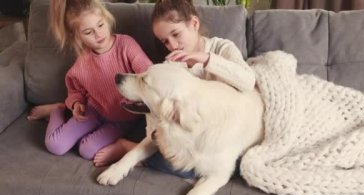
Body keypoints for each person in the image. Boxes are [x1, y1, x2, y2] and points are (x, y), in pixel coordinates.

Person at [96, 0, 256, 178]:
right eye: (165, 41)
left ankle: (132, 148)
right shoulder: (171, 66)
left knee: (232, 166)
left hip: (220, 130)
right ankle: (130, 149)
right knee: (181, 163)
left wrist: (205, 59)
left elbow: (248, 82)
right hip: (183, 137)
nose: (172, 45)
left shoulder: (221, 48)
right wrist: (154, 139)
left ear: (194, 24)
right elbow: (156, 118)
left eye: (176, 34)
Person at [27, 0, 152, 166]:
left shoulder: (126, 45)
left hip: (122, 119)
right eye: (88, 32)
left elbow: (148, 73)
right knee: (55, 145)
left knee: (87, 151)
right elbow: (75, 88)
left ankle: (67, 118)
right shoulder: (83, 60)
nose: (98, 34)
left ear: (107, 19)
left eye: (100, 25)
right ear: (76, 36)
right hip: (92, 110)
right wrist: (76, 103)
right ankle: (58, 110)